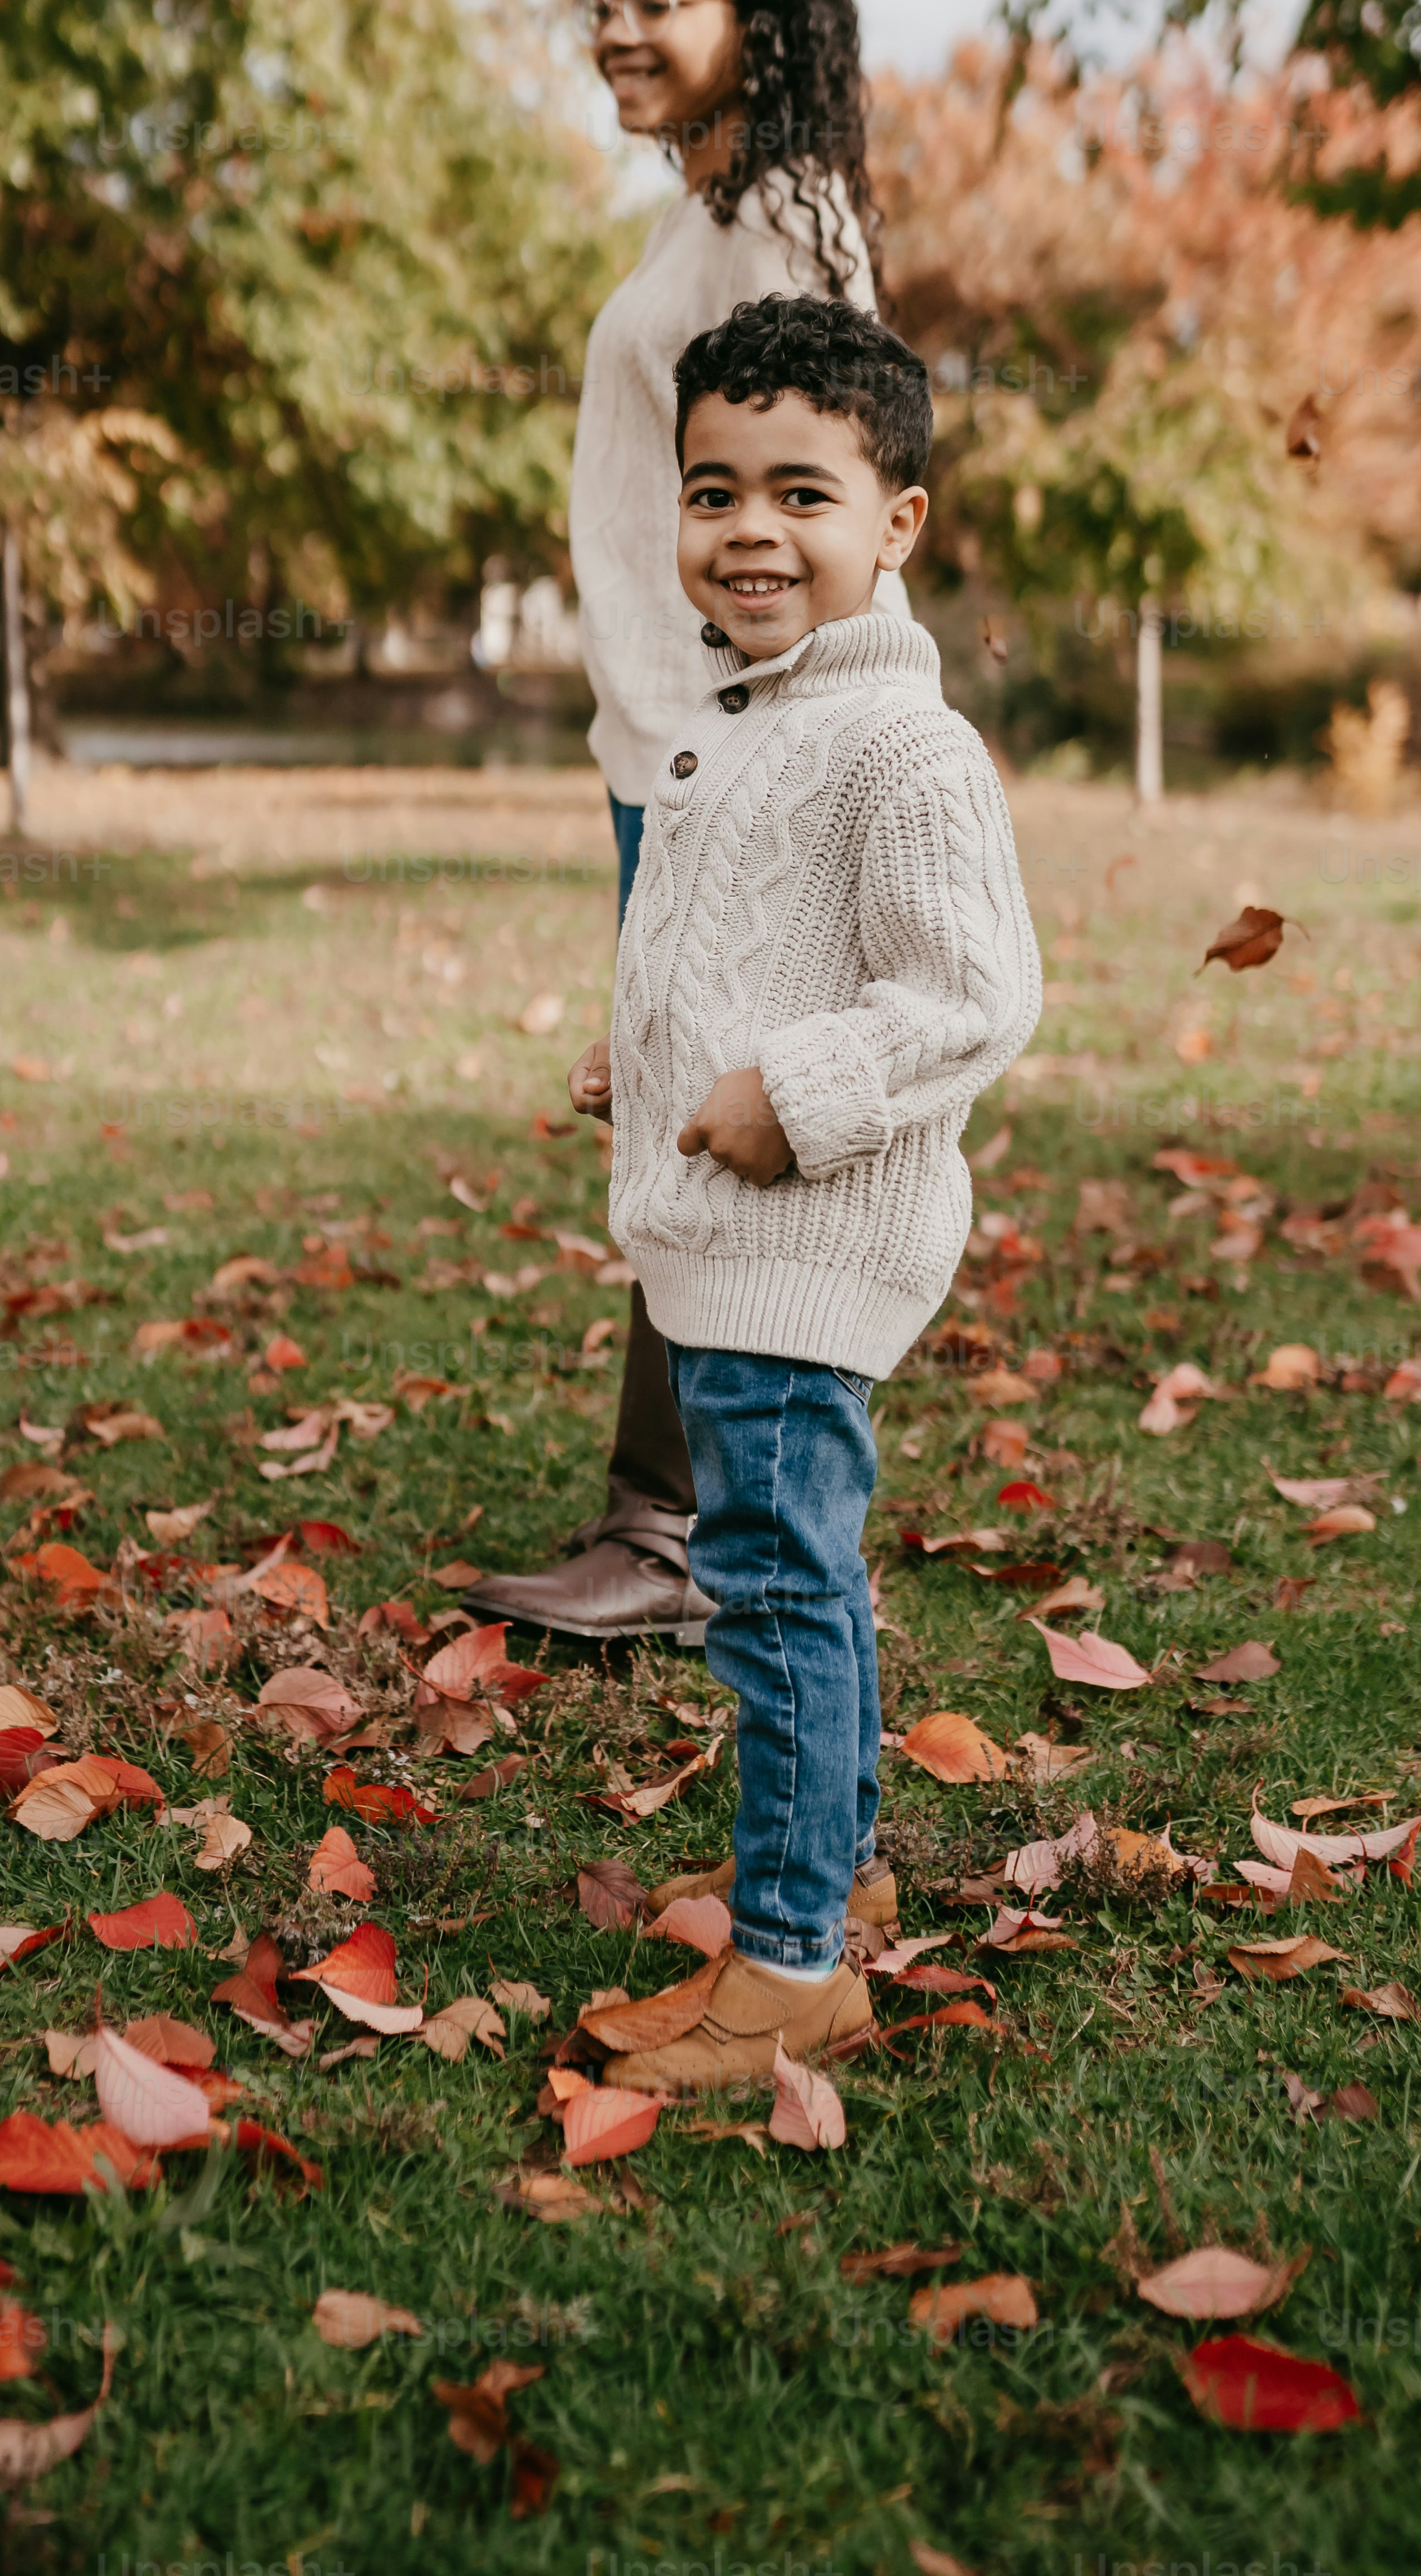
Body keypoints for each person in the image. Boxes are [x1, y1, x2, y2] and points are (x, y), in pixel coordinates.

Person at [560, 293, 1041, 2075]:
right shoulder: (746, 713)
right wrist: (654, 1056)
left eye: (801, 493)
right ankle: (809, 1902)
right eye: (711, 491)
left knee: (774, 1585)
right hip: (726, 1239)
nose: (749, 530)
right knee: (778, 1573)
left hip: (805, 1243)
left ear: (896, 522)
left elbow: (973, 995)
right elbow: (734, 945)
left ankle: (789, 1967)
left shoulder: (901, 746)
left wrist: (801, 1093)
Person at [463, 0, 908, 1646]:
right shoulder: (701, 216)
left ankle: (681, 1530)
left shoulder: (784, 218)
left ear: (761, 20)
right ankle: (692, 1516)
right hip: (662, 736)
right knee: (681, 1089)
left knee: (710, 1108)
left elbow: (829, 477)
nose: (618, 29)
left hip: (725, 747)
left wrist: (783, 727)